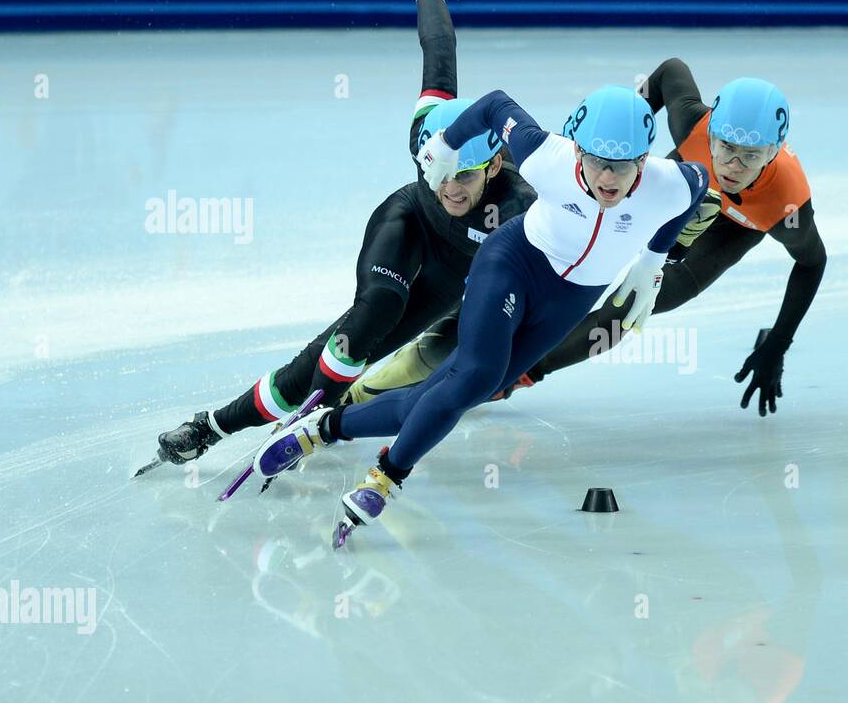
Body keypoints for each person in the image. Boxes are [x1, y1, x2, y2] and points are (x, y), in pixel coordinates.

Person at [139, 0, 536, 472]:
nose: (449, 187)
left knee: (344, 352)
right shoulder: (433, 129)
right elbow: (438, 47)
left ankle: (217, 424)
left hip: (452, 276)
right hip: (407, 225)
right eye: (440, 172)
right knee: (373, 311)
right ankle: (269, 423)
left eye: (465, 179)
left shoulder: (521, 202)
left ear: (495, 163)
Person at [249, 85, 708, 546]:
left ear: (643, 162)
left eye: (623, 165)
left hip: (571, 298)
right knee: (474, 376)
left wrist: (652, 262)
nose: (609, 178)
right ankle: (384, 480)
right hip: (513, 262)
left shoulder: (668, 184)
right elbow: (493, 105)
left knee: (448, 396)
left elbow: (697, 187)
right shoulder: (547, 157)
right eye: (596, 162)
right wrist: (446, 145)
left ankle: (322, 428)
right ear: (578, 151)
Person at [344, 57, 826, 416]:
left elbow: (811, 264)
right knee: (550, 238)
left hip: (729, 231)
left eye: (751, 156)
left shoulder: (787, 201)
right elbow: (671, 71)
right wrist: (634, 123)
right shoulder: (694, 123)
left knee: (628, 313)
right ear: (711, 129)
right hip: (665, 197)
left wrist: (777, 343)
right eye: (725, 147)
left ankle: (526, 371)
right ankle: (464, 320)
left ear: (775, 152)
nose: (733, 166)